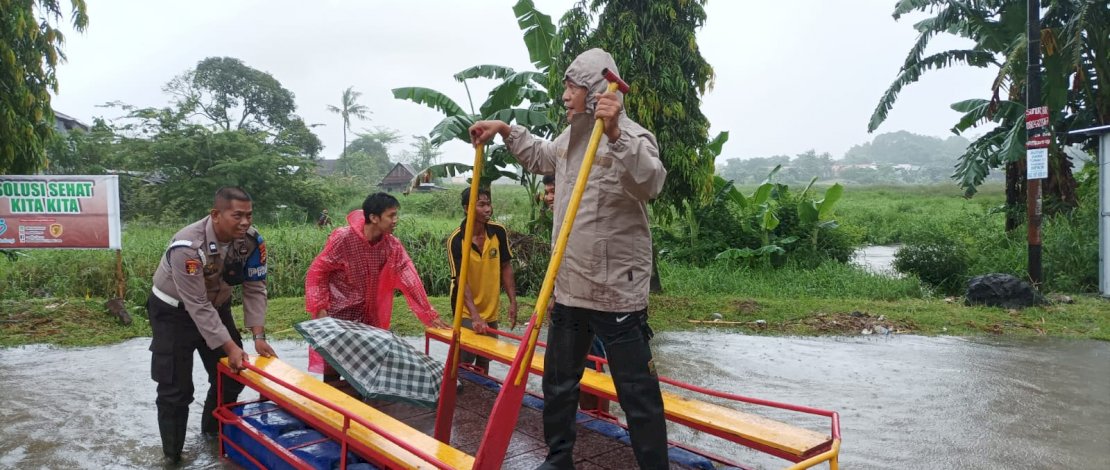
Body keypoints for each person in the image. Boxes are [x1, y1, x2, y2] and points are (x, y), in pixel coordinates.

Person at [469, 48, 668, 469]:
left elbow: (650, 182)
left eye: (572, 86)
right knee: (559, 382)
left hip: (616, 292)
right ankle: (559, 460)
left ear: (596, 90)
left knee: (637, 393)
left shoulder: (631, 135)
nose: (564, 94)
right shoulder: (571, 137)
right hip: (570, 288)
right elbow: (542, 156)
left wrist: (614, 133)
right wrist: (506, 129)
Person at [147, 187, 276, 464]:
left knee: (232, 375)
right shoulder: (187, 247)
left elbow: (255, 287)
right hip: (173, 313)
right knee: (176, 390)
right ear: (215, 214)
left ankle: (211, 433)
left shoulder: (253, 242)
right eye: (237, 215)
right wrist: (229, 346)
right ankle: (172, 457)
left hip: (217, 307)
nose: (245, 222)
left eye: (249, 215)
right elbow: (196, 305)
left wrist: (258, 335)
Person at [304, 192, 450, 381]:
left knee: (363, 374)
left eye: (396, 215)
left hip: (368, 318)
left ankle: (359, 410)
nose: (395, 220)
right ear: (373, 217)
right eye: (391, 215)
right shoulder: (344, 238)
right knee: (333, 372)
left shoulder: (392, 246)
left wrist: (428, 313)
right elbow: (318, 272)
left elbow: (410, 278)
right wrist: (320, 308)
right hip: (338, 316)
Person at [447, 187, 519, 372]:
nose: (488, 209)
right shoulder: (456, 240)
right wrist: (475, 316)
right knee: (464, 358)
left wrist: (513, 301)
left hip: (490, 308)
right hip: (465, 309)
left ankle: (481, 396)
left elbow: (506, 266)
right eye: (482, 205)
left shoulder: (498, 232)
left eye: (489, 204)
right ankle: (459, 393)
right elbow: (461, 280)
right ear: (467, 208)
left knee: (485, 357)